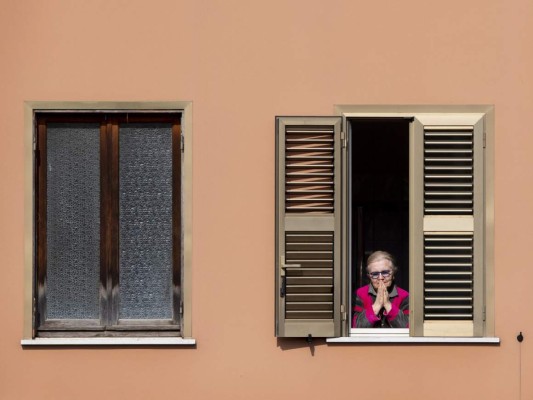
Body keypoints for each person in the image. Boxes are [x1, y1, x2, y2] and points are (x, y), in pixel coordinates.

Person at [352, 251, 409, 328]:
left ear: (393, 274)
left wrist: (387, 305)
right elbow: (355, 327)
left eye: (385, 272)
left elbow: (409, 327)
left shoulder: (404, 296)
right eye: (375, 274)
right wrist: (377, 305)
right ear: (369, 276)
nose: (380, 278)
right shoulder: (359, 294)